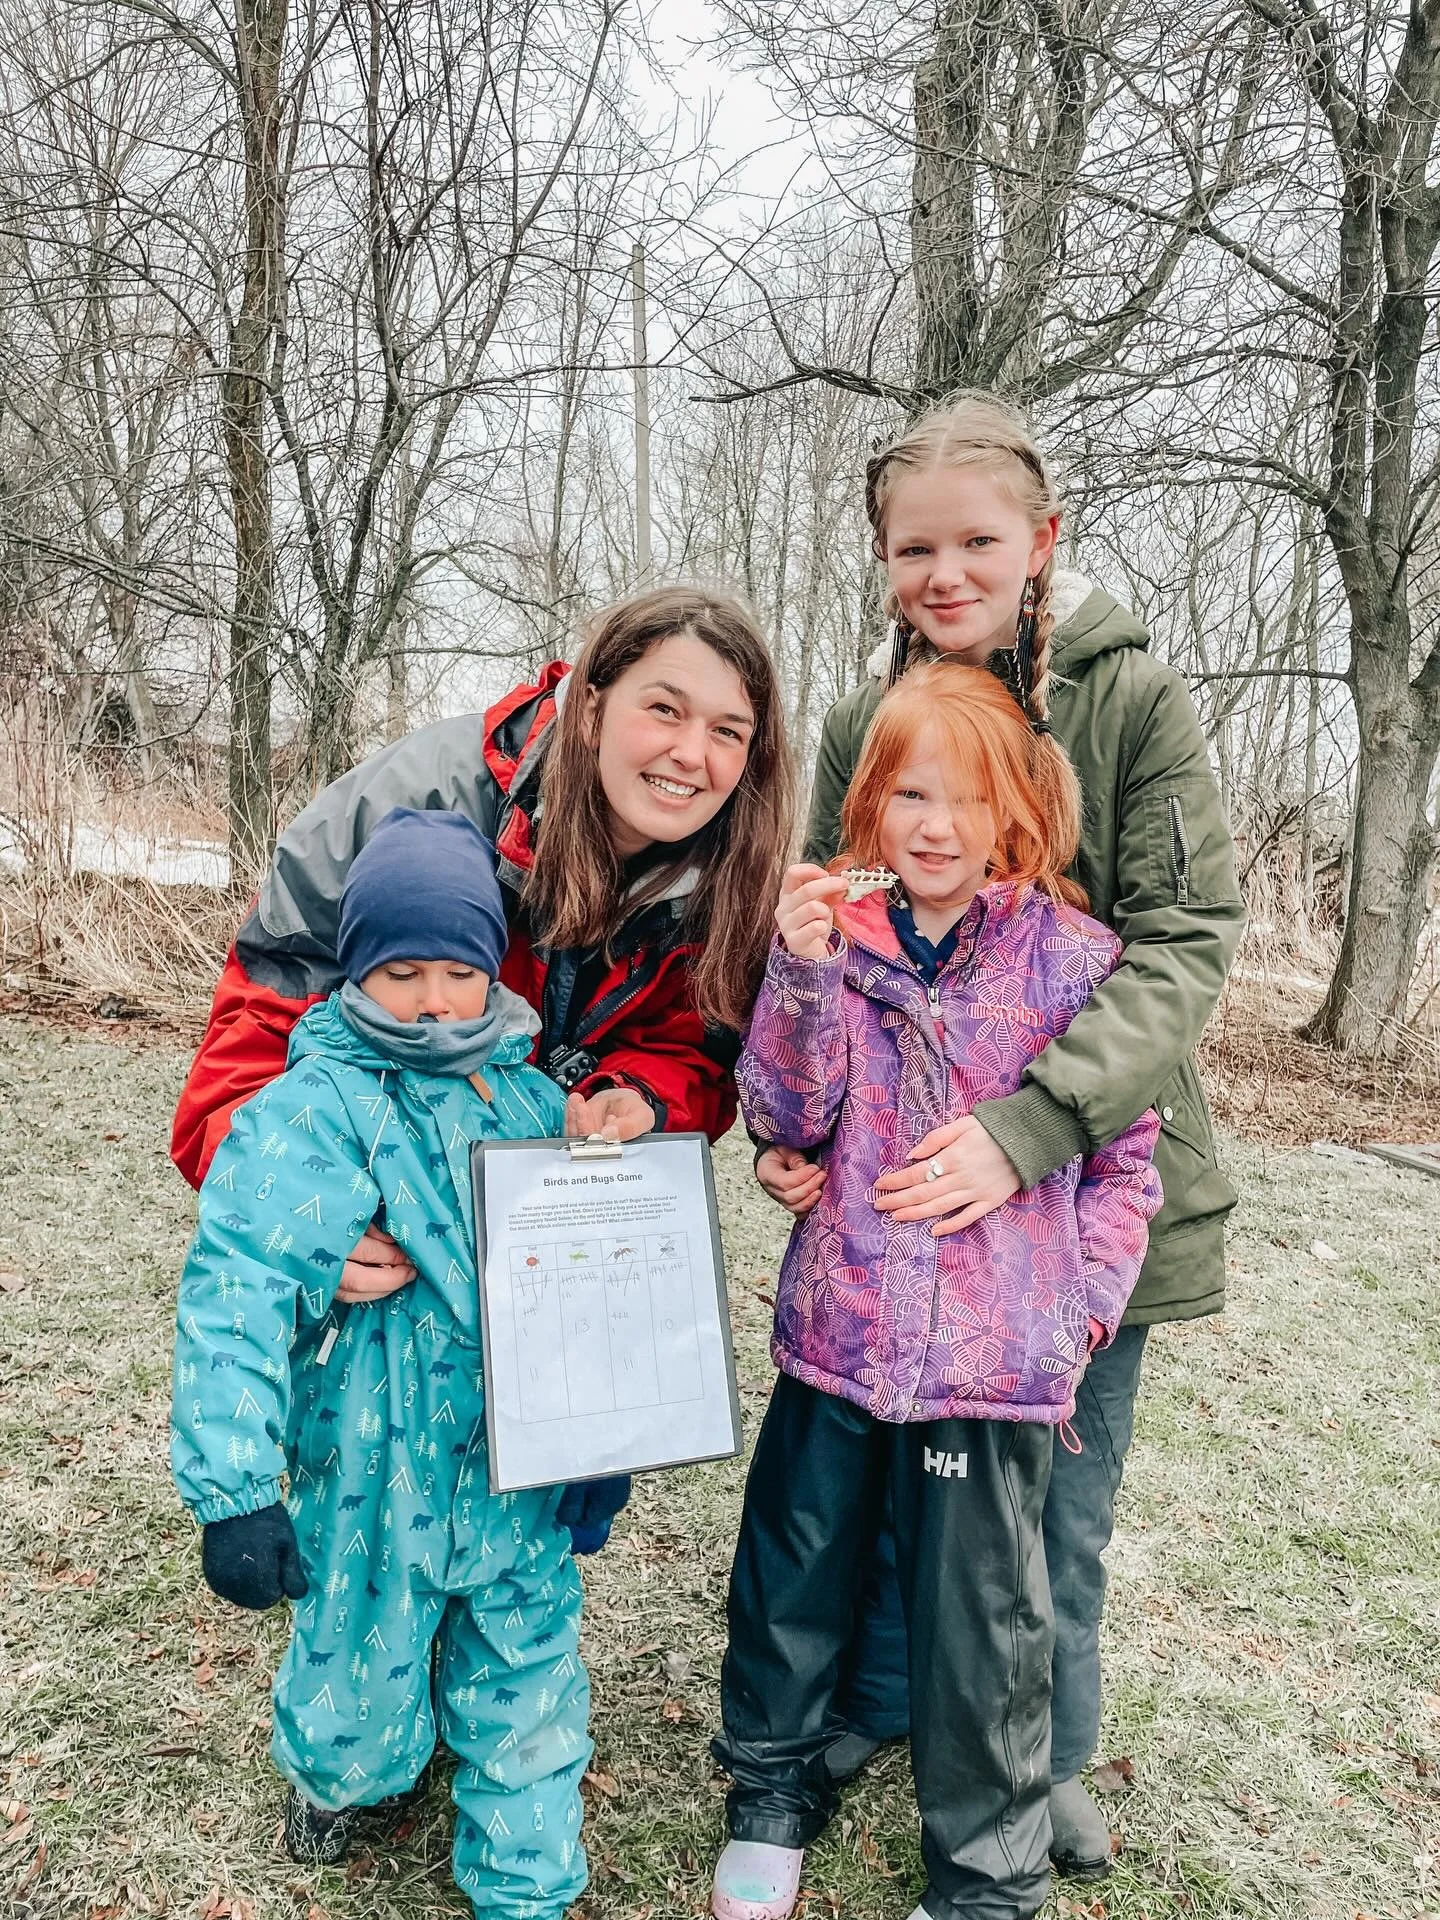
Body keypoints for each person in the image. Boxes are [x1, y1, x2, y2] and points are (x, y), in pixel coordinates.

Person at [758, 392, 1243, 1879]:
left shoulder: (1131, 698)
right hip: (897, 1208)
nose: (946, 572)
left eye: (978, 540)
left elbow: (1186, 938)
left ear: (1043, 539)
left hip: (1078, 1177)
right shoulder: (866, 723)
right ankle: (891, 1710)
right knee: (901, 1496)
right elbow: (833, 947)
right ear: (885, 561)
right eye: (915, 548)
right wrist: (803, 1131)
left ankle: (1044, 1766)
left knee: (1049, 1509)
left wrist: (1031, 1129)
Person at [710, 661, 1163, 1920]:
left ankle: (984, 1879)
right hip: (840, 1336)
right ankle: (769, 1795)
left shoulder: (1071, 961)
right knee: (795, 1567)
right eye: (908, 791)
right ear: (868, 807)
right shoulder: (830, 946)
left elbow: (1126, 1158)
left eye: (966, 797)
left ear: (1013, 808)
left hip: (990, 1366)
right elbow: (784, 1111)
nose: (935, 824)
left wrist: (1078, 1306)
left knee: (984, 1630)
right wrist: (796, 976)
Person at [170, 806, 626, 1916]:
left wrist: (598, 1442)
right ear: (357, 974)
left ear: (493, 972)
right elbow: (236, 1293)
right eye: (404, 972)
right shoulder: (307, 1112)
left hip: (513, 1474)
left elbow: (588, 1286)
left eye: (460, 972)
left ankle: (527, 1884)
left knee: (526, 1683)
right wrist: (232, 1494)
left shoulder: (530, 1103)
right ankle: (336, 1781)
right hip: (371, 1474)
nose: (435, 1000)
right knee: (358, 1685)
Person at [171, 587, 795, 1280]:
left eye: (727, 731)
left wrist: (639, 1096)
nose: (690, 753)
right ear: (591, 706)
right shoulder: (404, 815)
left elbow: (691, 1056)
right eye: (664, 710)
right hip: (378, 1218)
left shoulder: (732, 875)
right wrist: (294, 1207)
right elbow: (249, 1052)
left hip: (539, 1254)